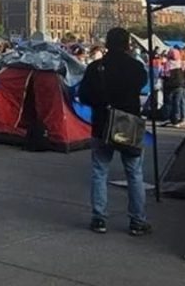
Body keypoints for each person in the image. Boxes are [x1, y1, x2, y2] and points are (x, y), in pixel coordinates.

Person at [77, 27, 152, 237]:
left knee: (99, 171)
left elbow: (84, 96)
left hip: (102, 123)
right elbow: (143, 85)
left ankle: (99, 218)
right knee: (134, 173)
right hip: (129, 124)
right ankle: (137, 221)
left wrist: (101, 102)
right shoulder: (136, 67)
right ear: (128, 44)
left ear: (107, 44)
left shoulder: (95, 67)